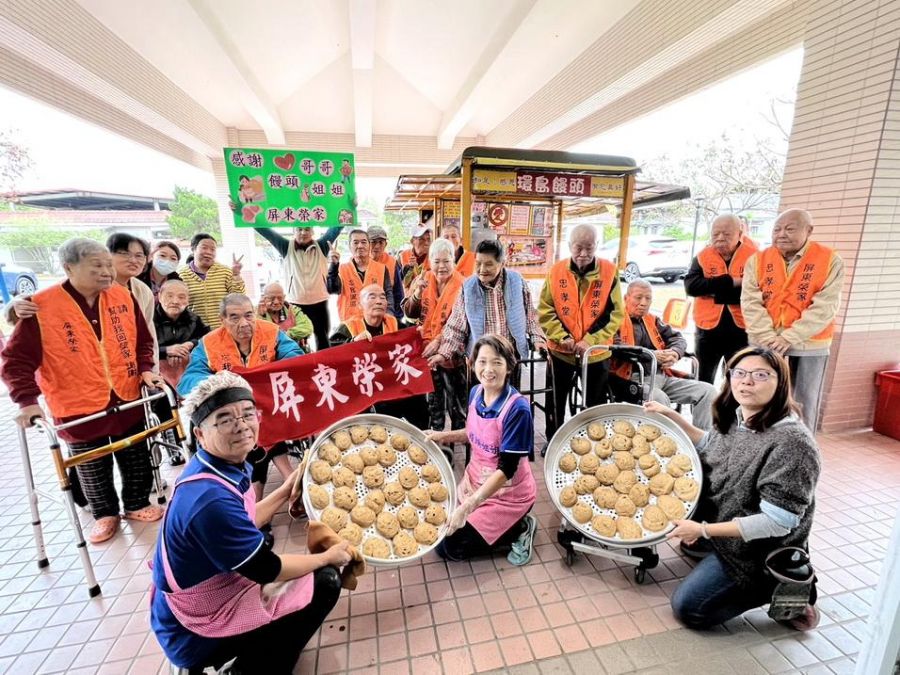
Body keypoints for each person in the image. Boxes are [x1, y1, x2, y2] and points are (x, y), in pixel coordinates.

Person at [150, 370, 351, 673]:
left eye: (247, 414)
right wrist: (327, 557)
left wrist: (285, 490)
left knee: (276, 551)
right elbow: (267, 569)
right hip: (193, 629)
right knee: (324, 581)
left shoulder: (218, 465)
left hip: (205, 592)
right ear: (200, 433)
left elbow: (245, 518)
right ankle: (253, 667)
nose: (242, 426)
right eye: (225, 419)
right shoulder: (208, 501)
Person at [1, 238, 165, 544]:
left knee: (135, 453)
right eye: (97, 266)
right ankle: (105, 513)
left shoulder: (122, 297)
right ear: (68, 267)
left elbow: (143, 341)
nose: (106, 272)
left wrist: (145, 369)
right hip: (76, 401)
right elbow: (15, 360)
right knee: (91, 463)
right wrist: (26, 401)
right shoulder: (42, 306)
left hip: (125, 391)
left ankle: (136, 503)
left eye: (107, 265)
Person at [646, 346, 821, 630]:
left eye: (761, 375)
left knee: (690, 609)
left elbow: (777, 523)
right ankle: (713, 546)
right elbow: (711, 446)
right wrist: (672, 416)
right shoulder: (738, 414)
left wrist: (702, 530)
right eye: (739, 373)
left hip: (759, 551)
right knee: (692, 477)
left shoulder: (792, 444)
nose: (747, 381)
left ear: (781, 383)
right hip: (727, 520)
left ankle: (785, 589)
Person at [425, 335, 538, 566]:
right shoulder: (477, 393)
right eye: (482, 362)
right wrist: (440, 436)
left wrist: (467, 507)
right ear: (472, 364)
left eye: (497, 362)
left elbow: (507, 469)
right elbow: (474, 432)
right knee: (439, 535)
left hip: (508, 495)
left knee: (453, 547)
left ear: (508, 367)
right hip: (475, 483)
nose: (488, 369)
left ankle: (520, 528)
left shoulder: (517, 409)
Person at [179, 293, 303, 500]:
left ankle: (261, 497)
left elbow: (295, 356)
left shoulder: (271, 332)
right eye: (235, 317)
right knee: (248, 426)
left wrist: (272, 370)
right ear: (223, 321)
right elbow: (188, 381)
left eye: (248, 315)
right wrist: (221, 382)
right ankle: (287, 484)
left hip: (269, 407)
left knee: (261, 424)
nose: (244, 323)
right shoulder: (209, 343)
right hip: (232, 413)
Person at [741, 209, 844, 431]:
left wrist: (790, 336)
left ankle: (802, 449)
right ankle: (756, 442)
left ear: (809, 231)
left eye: (790, 229)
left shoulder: (829, 260)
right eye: (777, 229)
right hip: (764, 340)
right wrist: (769, 337)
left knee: (805, 399)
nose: (781, 234)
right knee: (756, 391)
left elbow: (826, 305)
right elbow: (750, 301)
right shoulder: (757, 260)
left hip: (809, 342)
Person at [538, 224, 624, 431]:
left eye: (589, 247)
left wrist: (590, 341)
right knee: (555, 401)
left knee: (595, 404)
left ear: (597, 246)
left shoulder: (610, 272)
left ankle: (591, 442)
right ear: (569, 246)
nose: (583, 254)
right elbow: (545, 309)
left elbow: (614, 314)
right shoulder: (556, 271)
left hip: (595, 353)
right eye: (578, 248)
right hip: (561, 351)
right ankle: (553, 440)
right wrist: (562, 337)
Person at [429, 239, 545, 384]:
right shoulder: (468, 287)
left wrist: (538, 340)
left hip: (510, 358)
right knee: (481, 403)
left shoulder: (517, 281)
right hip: (480, 360)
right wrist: (443, 353)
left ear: (502, 263)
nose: (482, 269)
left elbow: (530, 316)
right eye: (478, 263)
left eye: (489, 264)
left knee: (509, 402)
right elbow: (456, 326)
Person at [611, 280, 717, 430]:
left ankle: (701, 441)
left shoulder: (653, 320)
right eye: (638, 297)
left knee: (708, 391)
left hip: (662, 377)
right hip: (631, 379)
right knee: (659, 398)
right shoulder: (614, 319)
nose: (643, 303)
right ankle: (668, 443)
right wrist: (652, 355)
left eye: (648, 298)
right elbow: (617, 347)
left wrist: (674, 352)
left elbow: (677, 338)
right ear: (626, 298)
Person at [330, 285, 428, 428]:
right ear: (359, 304)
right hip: (361, 388)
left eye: (383, 297)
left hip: (390, 387)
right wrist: (353, 343)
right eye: (372, 297)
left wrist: (417, 338)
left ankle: (421, 435)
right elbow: (332, 359)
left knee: (415, 394)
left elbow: (410, 350)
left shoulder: (395, 324)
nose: (379, 301)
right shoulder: (347, 328)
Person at [403, 238, 467, 431]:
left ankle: (457, 442)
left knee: (457, 405)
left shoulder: (463, 285)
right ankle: (438, 444)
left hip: (453, 354)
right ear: (430, 261)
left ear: (453, 261)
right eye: (436, 261)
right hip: (427, 354)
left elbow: (462, 322)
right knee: (434, 404)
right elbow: (409, 313)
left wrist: (439, 341)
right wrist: (416, 293)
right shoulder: (423, 278)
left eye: (446, 261)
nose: (441, 266)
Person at [684, 215, 756, 384]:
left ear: (740, 234)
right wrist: (732, 282)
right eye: (715, 234)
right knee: (702, 379)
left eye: (726, 234)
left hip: (741, 330)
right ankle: (700, 410)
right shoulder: (702, 256)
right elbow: (691, 287)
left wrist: (712, 291)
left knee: (738, 379)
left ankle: (730, 411)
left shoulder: (754, 257)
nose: (720, 238)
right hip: (706, 331)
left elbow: (755, 291)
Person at [253, 223, 340, 351]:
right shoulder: (286, 246)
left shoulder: (322, 246)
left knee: (322, 338)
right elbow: (266, 231)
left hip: (319, 302)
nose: (303, 232)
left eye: (307, 229)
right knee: (297, 340)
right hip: (296, 304)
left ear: (312, 232)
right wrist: (243, 209)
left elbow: (336, 228)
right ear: (294, 231)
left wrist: (349, 206)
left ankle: (325, 367)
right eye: (299, 229)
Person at [178, 233, 246, 330]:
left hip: (224, 330)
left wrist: (236, 275)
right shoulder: (181, 275)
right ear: (193, 249)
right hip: (195, 333)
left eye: (213, 249)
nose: (209, 252)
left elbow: (239, 299)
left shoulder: (225, 271)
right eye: (204, 248)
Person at [326, 228, 394, 322]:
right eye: (355, 242)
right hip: (350, 324)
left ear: (369, 245)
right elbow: (332, 289)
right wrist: (333, 266)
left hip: (376, 322)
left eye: (363, 242)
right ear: (349, 246)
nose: (360, 246)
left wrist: (389, 315)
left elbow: (388, 294)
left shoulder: (381, 268)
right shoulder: (342, 269)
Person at [154, 279, 209, 389]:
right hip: (157, 377)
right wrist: (167, 351)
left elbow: (206, 339)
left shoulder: (193, 319)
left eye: (181, 297)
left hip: (189, 374)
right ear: (159, 297)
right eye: (169, 296)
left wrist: (190, 344)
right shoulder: (148, 319)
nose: (175, 301)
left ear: (188, 301)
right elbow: (139, 349)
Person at [257, 282, 313, 348]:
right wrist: (261, 316)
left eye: (280, 298)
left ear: (284, 297)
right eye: (271, 298)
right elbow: (260, 337)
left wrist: (286, 335)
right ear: (263, 298)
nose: (276, 302)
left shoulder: (292, 310)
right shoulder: (256, 313)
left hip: (296, 351)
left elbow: (307, 328)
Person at [367, 225, 404, 320]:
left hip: (387, 315)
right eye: (373, 242)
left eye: (381, 242)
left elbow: (398, 293)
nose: (377, 246)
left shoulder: (392, 262)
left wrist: (397, 318)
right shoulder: (359, 262)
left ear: (385, 244)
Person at [399, 224, 432, 293]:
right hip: (408, 298)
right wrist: (409, 269)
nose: (426, 243)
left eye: (428, 239)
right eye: (421, 239)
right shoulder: (403, 256)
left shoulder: (434, 257)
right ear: (412, 241)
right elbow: (400, 282)